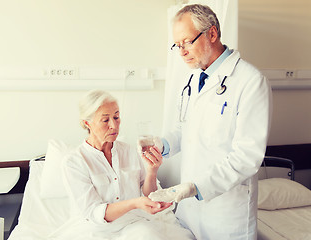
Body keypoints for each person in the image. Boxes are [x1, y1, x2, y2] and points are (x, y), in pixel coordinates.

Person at [145, 4, 272, 240]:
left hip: (225, 212)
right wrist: (163, 144)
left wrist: (196, 187)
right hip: (190, 209)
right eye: (177, 45)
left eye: (187, 42)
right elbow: (185, 129)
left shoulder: (250, 82)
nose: (181, 51)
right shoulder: (193, 80)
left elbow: (247, 157)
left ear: (212, 34)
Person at [59, 90, 195, 240]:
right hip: (95, 230)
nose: (114, 125)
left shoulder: (129, 151)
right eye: (105, 120)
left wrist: (152, 172)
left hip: (133, 225)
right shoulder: (73, 162)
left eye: (116, 117)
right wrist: (135, 203)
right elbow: (94, 213)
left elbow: (149, 194)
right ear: (87, 123)